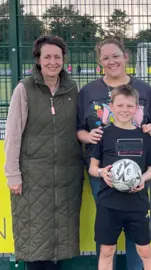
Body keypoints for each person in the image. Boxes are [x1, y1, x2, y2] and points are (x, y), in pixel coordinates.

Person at [77, 38, 151, 270]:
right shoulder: (88, 91)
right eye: (105, 57)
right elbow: (78, 129)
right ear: (100, 62)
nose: (111, 61)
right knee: (107, 235)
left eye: (115, 56)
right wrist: (89, 137)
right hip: (103, 173)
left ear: (125, 56)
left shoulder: (144, 89)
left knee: (137, 235)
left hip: (135, 171)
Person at [5, 35, 84, 270]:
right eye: (47, 56)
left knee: (60, 245)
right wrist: (13, 174)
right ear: (38, 60)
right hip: (33, 178)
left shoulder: (72, 89)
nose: (52, 62)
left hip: (67, 178)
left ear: (64, 60)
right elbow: (13, 134)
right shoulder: (24, 89)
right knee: (36, 244)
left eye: (57, 57)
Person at [88, 85, 151, 270]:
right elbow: (92, 168)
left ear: (137, 108)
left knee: (145, 251)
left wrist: (142, 178)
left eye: (129, 106)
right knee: (107, 251)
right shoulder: (103, 134)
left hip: (137, 204)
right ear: (111, 106)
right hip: (108, 204)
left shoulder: (144, 137)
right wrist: (102, 172)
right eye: (120, 105)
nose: (124, 110)